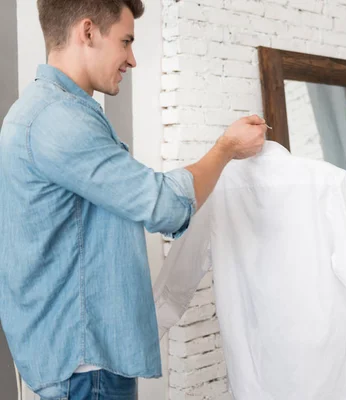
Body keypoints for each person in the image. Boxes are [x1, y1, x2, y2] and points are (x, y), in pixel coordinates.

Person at [0, 1, 266, 399]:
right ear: (87, 32)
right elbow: (162, 204)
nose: (132, 59)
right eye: (125, 42)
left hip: (80, 364)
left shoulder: (47, 111)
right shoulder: (58, 119)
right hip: (87, 371)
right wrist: (225, 149)